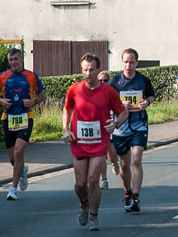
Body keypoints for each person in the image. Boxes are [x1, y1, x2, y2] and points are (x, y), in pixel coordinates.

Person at [63, 53, 128, 231]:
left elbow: (123, 112)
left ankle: (93, 216)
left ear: (97, 70)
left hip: (99, 142)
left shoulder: (108, 91)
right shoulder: (74, 89)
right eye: (85, 70)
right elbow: (67, 108)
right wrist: (65, 128)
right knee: (80, 184)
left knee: (93, 181)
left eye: (91, 70)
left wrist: (115, 124)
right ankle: (83, 204)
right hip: (78, 141)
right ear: (81, 70)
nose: (88, 73)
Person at [0, 49, 45, 201]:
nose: (13, 62)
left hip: (26, 116)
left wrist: (33, 102)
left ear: (22, 59)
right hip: (8, 117)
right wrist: (1, 101)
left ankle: (13, 188)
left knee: (19, 151)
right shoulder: (2, 77)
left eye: (16, 59)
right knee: (12, 157)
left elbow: (41, 95)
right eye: (11, 60)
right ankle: (22, 170)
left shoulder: (31, 76)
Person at [109, 48, 156, 213]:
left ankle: (136, 196)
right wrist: (120, 106)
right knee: (124, 164)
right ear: (122, 62)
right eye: (126, 62)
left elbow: (151, 96)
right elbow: (106, 102)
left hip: (139, 126)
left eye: (131, 62)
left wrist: (146, 103)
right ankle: (128, 193)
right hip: (120, 128)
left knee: (136, 160)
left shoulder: (143, 80)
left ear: (137, 63)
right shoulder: (115, 81)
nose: (128, 65)